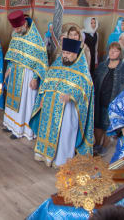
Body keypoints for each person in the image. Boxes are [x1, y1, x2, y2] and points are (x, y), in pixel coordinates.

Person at [30, 38, 94, 168]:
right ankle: (45, 156)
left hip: (68, 110)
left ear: (76, 54)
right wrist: (42, 97)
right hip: (49, 106)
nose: (65, 55)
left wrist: (71, 96)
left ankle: (60, 161)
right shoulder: (57, 64)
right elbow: (47, 81)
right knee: (47, 130)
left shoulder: (82, 71)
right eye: (64, 52)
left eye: (69, 53)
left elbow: (85, 91)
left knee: (64, 134)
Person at [3, 11, 48, 140]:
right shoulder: (16, 35)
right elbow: (13, 54)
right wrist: (9, 68)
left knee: (24, 102)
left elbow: (41, 60)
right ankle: (10, 124)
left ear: (24, 24)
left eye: (18, 28)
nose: (16, 30)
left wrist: (35, 78)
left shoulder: (35, 38)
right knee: (12, 99)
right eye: (14, 28)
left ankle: (20, 129)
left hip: (28, 75)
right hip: (15, 73)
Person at [93, 42, 124, 156]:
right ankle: (97, 145)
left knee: (109, 126)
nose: (112, 52)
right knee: (98, 124)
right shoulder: (102, 66)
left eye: (115, 50)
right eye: (110, 50)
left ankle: (104, 146)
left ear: (120, 53)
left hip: (114, 103)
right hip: (99, 100)